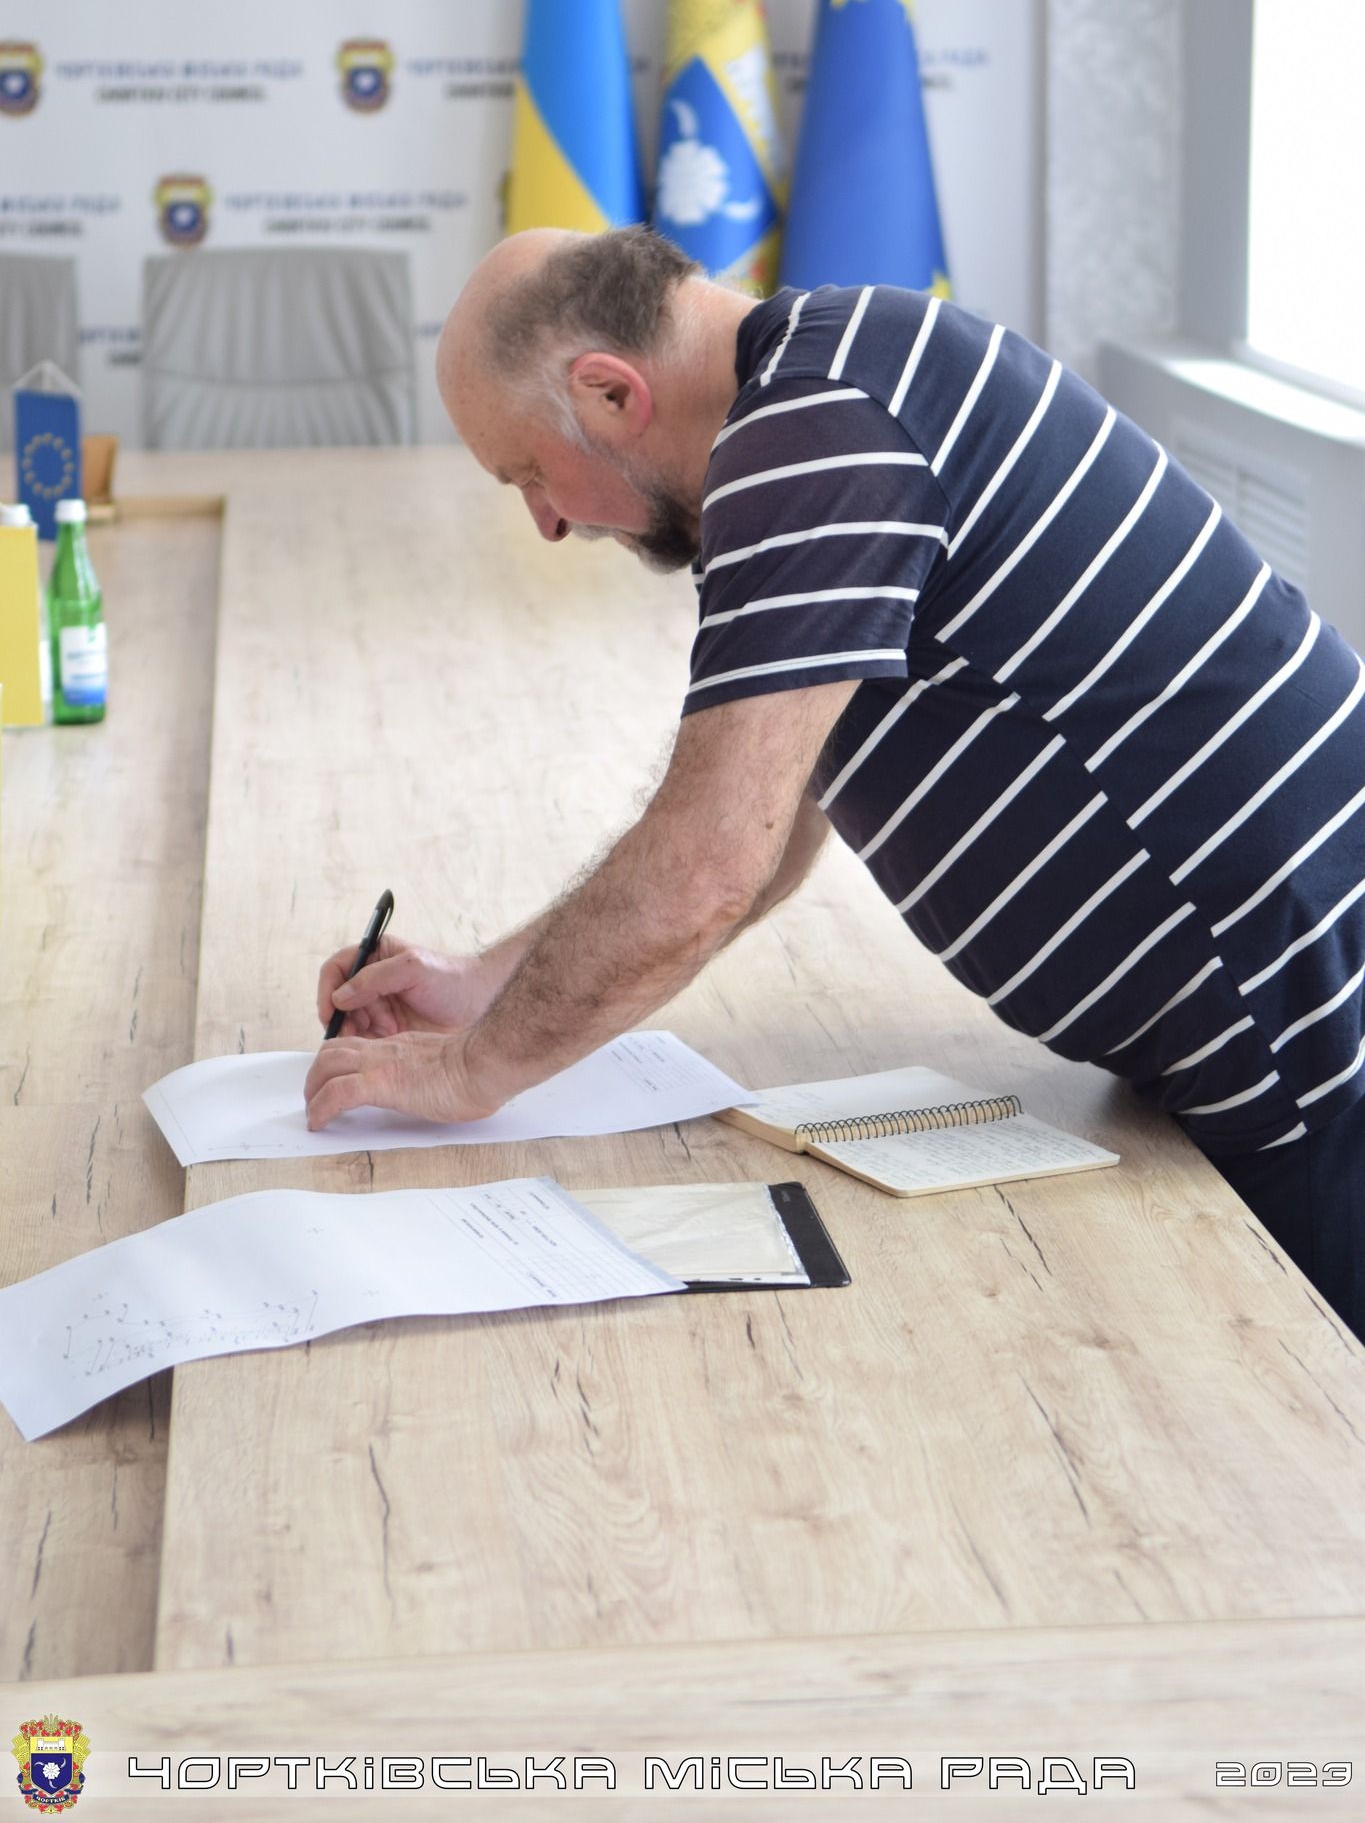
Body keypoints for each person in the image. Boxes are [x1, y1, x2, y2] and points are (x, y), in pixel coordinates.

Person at [307, 226, 1365, 1341]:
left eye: (530, 471)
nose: (550, 522)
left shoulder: (815, 437)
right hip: (1267, 1015)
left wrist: (476, 1066)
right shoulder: (822, 385)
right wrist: (487, 981)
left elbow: (710, 863)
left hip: (1314, 1028)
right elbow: (774, 815)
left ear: (612, 393)